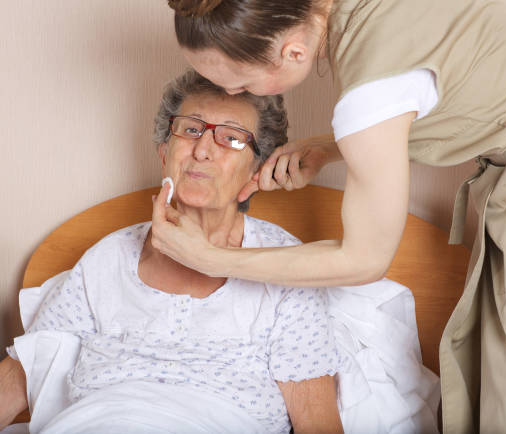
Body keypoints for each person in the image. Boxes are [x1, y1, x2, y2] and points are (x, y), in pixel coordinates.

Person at [150, 0, 506, 433]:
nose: (229, 94)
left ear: (292, 53)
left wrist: (212, 259)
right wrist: (334, 148)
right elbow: (457, 80)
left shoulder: (370, 90)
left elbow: (364, 262)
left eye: (243, 85)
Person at [0, 69, 344, 434]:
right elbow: (20, 375)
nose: (203, 149)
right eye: (192, 129)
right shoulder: (107, 260)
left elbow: (317, 421)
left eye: (231, 138)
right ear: (165, 153)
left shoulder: (287, 266)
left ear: (255, 172)